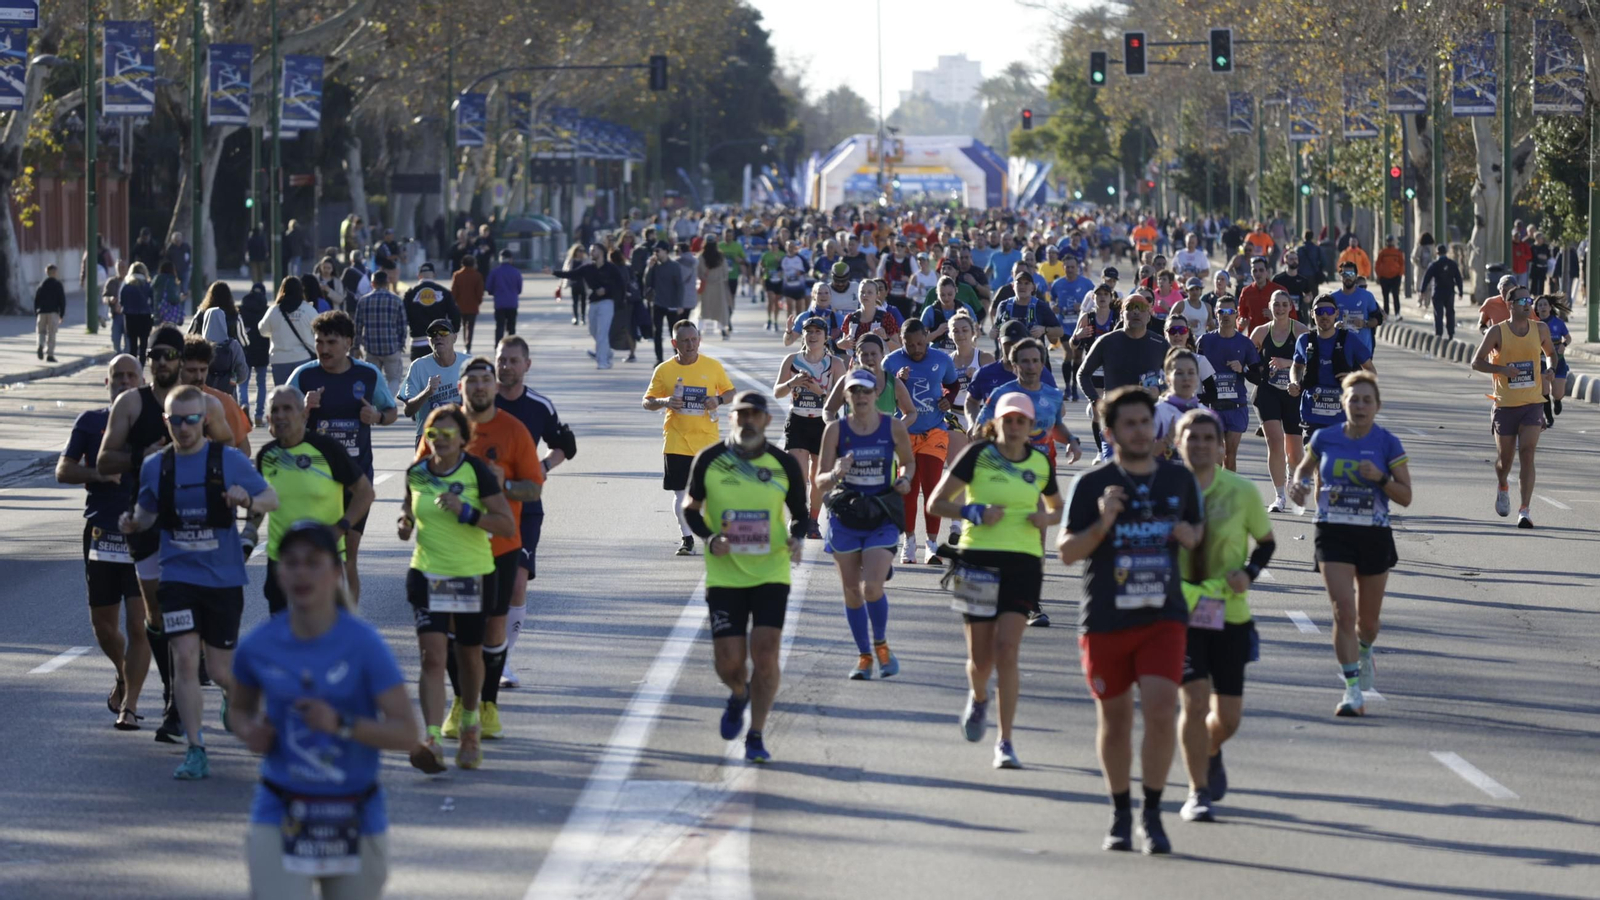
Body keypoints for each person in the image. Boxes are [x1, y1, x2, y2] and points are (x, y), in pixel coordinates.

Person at [231, 521, 420, 896]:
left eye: (313, 562)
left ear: (336, 572)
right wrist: (251, 731)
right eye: (292, 562)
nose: (302, 572)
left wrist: (341, 724)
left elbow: (407, 733)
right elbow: (238, 711)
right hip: (281, 809)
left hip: (354, 813)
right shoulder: (258, 645)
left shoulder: (364, 644)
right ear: (279, 573)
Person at [1058, 387, 1203, 854]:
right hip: (1104, 618)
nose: (1141, 431)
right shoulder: (1091, 483)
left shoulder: (1179, 481)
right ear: (1110, 431)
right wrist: (1102, 523)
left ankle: (1153, 812)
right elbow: (1066, 553)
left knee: (1162, 711)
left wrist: (1190, 534)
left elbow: (1198, 535)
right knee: (1116, 720)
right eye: (1130, 424)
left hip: (1164, 616)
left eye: (1146, 422)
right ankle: (1121, 811)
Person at [119, 385, 278, 779]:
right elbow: (147, 511)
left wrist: (247, 500)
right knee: (185, 661)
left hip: (222, 579)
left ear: (204, 420)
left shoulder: (226, 460)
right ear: (166, 422)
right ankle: (196, 748)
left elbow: (271, 498)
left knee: (221, 671)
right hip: (178, 577)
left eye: (192, 419)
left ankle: (237, 699)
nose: (185, 427)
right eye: (177, 420)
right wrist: (134, 522)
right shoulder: (157, 466)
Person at [97, 327, 236, 742]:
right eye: (154, 355)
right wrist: (145, 455)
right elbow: (105, 460)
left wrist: (197, 459)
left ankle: (179, 703)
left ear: (180, 359)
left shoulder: (205, 404)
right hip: (145, 520)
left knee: (189, 610)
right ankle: (172, 692)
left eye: (169, 355)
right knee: (156, 614)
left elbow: (231, 452)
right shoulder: (129, 404)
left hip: (194, 520)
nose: (161, 362)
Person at [929, 392, 1063, 768]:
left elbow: (1057, 508)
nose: (1015, 426)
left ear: (1032, 426)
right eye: (1009, 419)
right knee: (980, 658)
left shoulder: (1039, 463)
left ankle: (1005, 741)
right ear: (997, 421)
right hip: (976, 562)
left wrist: (1046, 520)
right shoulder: (977, 456)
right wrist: (973, 509)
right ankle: (979, 697)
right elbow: (936, 503)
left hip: (1023, 564)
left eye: (1022, 420)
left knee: (1007, 651)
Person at [681, 392, 808, 763]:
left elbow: (801, 514)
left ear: (767, 421)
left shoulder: (783, 463)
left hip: (771, 571)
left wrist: (797, 538)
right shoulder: (710, 459)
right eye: (741, 414)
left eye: (755, 414)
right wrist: (709, 537)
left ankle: (756, 733)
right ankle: (739, 694)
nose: (747, 420)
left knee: (766, 656)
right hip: (725, 576)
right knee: (728, 663)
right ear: (731, 418)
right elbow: (691, 508)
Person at [397, 404, 516, 771]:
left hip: (470, 576)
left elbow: (506, 525)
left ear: (464, 439)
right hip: (427, 573)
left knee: (468, 656)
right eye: (433, 434)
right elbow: (409, 512)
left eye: (448, 434)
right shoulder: (417, 473)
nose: (440, 441)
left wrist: (468, 513)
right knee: (431, 657)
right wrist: (404, 523)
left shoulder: (476, 471)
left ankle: (469, 723)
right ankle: (431, 738)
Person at [1172, 409, 1275, 822]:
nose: (1199, 445)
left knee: (1227, 719)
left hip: (1228, 614)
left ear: (1220, 447)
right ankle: (1197, 791)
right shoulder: (1164, 491)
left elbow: (1266, 543)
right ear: (1177, 443)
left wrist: (1247, 573)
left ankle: (1210, 749)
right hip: (1178, 613)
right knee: (1194, 702)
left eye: (1207, 439)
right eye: (1190, 437)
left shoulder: (1242, 491)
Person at [1288, 372, 1412, 717]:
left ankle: (1365, 649)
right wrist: (1297, 486)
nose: (1359, 406)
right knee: (1344, 611)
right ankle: (1352, 689)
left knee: (1368, 623)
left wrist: (1381, 478)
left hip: (1373, 533)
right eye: (1353, 399)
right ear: (1343, 403)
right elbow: (1302, 470)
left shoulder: (1388, 443)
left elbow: (1406, 497)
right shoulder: (1325, 438)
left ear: (1377, 406)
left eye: (1366, 400)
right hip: (1332, 530)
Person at [439, 358, 543, 743]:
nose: (480, 386)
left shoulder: (513, 430)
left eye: (486, 380)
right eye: (473, 381)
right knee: (453, 626)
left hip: (500, 546)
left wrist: (505, 486)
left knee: (493, 625)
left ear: (495, 387)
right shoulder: (442, 424)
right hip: (451, 547)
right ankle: (459, 702)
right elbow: (420, 473)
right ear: (461, 387)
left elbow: (533, 488)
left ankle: (488, 704)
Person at [58, 354, 151, 731]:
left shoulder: (155, 422)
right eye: (118, 376)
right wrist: (98, 472)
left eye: (132, 375)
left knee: (138, 624)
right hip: (101, 533)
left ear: (142, 381)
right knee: (103, 626)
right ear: (107, 383)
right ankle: (123, 674)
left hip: (143, 533)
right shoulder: (91, 421)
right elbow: (63, 470)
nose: (125, 381)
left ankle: (129, 706)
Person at [288, 311, 398, 603]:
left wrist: (375, 416)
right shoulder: (304, 376)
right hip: (313, 480)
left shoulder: (367, 375)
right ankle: (315, 613)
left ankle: (349, 623)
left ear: (348, 343)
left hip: (355, 479)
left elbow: (392, 413)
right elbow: (279, 422)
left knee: (349, 556)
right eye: (319, 342)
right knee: (317, 554)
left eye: (331, 342)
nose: (323, 349)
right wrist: (304, 410)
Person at [814, 369, 915, 680]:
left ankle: (881, 646)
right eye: (854, 391)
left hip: (882, 511)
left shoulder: (892, 427)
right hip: (847, 514)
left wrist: (905, 479)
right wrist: (835, 474)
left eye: (866, 392)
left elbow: (909, 462)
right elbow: (818, 481)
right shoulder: (835, 431)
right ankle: (863, 656)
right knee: (851, 592)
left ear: (875, 395)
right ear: (846, 395)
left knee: (871, 587)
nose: (860, 397)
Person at [491, 336, 575, 689]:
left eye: (513, 360)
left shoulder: (539, 406)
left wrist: (542, 467)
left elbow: (565, 446)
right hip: (482, 508)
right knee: (483, 586)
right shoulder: (478, 401)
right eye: (501, 360)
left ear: (527, 365)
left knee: (517, 583)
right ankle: (480, 651)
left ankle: (504, 661)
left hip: (525, 508)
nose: (506, 366)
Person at [246, 385, 374, 614]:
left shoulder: (326, 448)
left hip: (323, 558)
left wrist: (341, 528)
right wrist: (248, 534)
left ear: (303, 413)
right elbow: (261, 502)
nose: (281, 415)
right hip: (281, 561)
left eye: (288, 409)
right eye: (275, 410)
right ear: (267, 418)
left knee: (326, 639)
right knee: (285, 640)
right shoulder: (266, 455)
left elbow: (365, 493)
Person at [642, 321, 735, 555]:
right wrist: (665, 401)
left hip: (708, 440)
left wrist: (719, 400)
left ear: (699, 340)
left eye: (694, 339)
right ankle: (687, 539)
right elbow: (647, 401)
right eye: (685, 340)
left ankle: (710, 533)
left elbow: (730, 392)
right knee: (681, 494)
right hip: (676, 439)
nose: (690, 344)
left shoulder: (712, 366)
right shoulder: (664, 370)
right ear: (675, 343)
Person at [1470, 287, 1554, 528]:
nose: (1528, 304)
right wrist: (1503, 370)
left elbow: (1550, 353)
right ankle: (1503, 485)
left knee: (1527, 453)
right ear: (1510, 305)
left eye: (1530, 299)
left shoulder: (1540, 329)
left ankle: (1524, 509)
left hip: (1532, 403)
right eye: (1522, 300)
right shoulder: (1497, 331)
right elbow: (1477, 362)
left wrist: (1549, 369)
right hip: (1505, 404)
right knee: (1504, 461)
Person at [884, 320, 960, 565]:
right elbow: (884, 397)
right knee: (908, 489)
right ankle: (909, 541)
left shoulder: (942, 359)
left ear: (927, 337)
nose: (916, 349)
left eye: (920, 343)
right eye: (910, 344)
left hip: (934, 431)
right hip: (903, 432)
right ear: (901, 341)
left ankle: (932, 544)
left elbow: (952, 384)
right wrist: (897, 381)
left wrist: (949, 399)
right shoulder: (892, 362)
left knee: (931, 487)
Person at [773, 317, 845, 539]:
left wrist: (819, 391)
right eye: (808, 332)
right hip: (798, 421)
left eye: (817, 332)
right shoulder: (792, 360)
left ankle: (813, 522)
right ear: (803, 335)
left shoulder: (835, 364)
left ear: (826, 337)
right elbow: (777, 392)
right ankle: (798, 517)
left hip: (823, 423)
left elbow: (843, 397)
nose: (813, 336)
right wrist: (791, 384)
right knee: (798, 475)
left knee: (817, 478)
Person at [1077, 293, 1170, 459]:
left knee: (1145, 476)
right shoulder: (1106, 342)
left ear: (1149, 315)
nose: (1135, 312)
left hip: (1148, 420)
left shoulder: (1160, 344)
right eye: (1130, 307)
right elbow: (1083, 374)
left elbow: (1174, 377)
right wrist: (1096, 400)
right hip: (1115, 420)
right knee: (1114, 477)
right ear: (1122, 314)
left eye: (1141, 308)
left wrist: (1160, 389)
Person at [1250, 292, 1310, 510]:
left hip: (1294, 394)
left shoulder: (1302, 331)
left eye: (1285, 305)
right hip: (1267, 393)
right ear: (1270, 306)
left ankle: (1291, 472)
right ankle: (1279, 497)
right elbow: (1250, 360)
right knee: (1275, 442)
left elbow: (1313, 364)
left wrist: (1288, 363)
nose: (1280, 309)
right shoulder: (1260, 332)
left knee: (1294, 452)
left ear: (1291, 306)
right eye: (1276, 304)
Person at [1290, 294, 1376, 444]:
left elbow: (1370, 371)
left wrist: (1354, 380)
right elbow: (1296, 366)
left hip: (1342, 416)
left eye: (1329, 311)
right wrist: (1294, 382)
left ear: (1336, 313)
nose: (1324, 316)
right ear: (1312, 314)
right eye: (1319, 311)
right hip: (1312, 414)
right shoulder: (1304, 340)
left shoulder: (1349, 339)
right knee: (1316, 462)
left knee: (1334, 463)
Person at [1195, 299, 1261, 471]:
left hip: (1235, 406)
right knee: (1215, 454)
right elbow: (1195, 369)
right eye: (1221, 312)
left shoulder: (1245, 343)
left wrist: (1243, 369)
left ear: (1237, 315)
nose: (1225, 316)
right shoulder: (1204, 341)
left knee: (1229, 454)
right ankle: (1214, 493)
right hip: (1212, 405)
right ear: (1215, 315)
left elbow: (1258, 377)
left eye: (1230, 312)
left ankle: (1229, 494)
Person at [398, 319, 464, 442]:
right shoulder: (418, 366)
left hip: (461, 435)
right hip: (429, 437)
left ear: (454, 338)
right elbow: (408, 411)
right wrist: (427, 392)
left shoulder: (467, 364)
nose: (438, 336)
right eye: (432, 334)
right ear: (429, 341)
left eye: (443, 332)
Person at [353, 270, 409, 391]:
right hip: (391, 348)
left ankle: (375, 405)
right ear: (387, 283)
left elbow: (357, 328)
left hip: (371, 348)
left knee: (373, 379)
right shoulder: (396, 300)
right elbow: (402, 326)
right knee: (394, 379)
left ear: (372, 283)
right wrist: (401, 345)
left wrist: (356, 347)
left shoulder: (363, 301)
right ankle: (388, 402)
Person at [261, 278, 319, 385]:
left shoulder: (274, 310)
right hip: (303, 358)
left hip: (279, 359)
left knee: (283, 396)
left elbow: (263, 330)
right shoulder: (308, 310)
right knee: (303, 393)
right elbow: (318, 331)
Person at [402, 263, 460, 361]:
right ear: (434, 274)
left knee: (419, 374)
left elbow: (402, 318)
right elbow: (455, 316)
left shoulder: (410, 294)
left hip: (417, 342)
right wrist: (451, 333)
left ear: (419, 275)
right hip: (440, 341)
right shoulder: (444, 292)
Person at [1330, 264, 1383, 355]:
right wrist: (1335, 326)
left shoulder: (1367, 296)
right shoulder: (1333, 297)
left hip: (1363, 349)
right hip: (1340, 349)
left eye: (1351, 274)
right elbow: (1324, 322)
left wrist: (1365, 323)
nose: (1348, 277)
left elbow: (1378, 319)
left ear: (1356, 275)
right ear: (1340, 276)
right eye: (1345, 274)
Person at [1536, 294, 1571, 426]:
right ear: (1537, 309)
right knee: (1544, 391)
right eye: (1540, 305)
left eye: (1545, 304)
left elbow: (1568, 338)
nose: (1543, 307)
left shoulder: (1558, 323)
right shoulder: (1534, 324)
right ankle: (1549, 418)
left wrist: (1563, 345)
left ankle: (1557, 401)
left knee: (1557, 393)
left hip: (1558, 361)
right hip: (1541, 361)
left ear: (1550, 307)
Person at [698, 238, 735, 339]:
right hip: (719, 286)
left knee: (703, 309)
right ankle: (723, 330)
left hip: (705, 286)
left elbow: (698, 271)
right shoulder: (720, 256)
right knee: (720, 309)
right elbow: (725, 272)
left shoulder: (701, 256)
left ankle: (699, 330)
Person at [485, 250, 524, 344]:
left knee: (499, 327)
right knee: (511, 328)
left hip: (499, 304)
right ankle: (512, 347)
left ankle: (498, 346)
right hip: (512, 303)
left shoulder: (495, 272)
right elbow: (519, 289)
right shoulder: (516, 272)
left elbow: (488, 287)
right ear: (510, 259)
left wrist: (494, 292)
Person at [451, 256, 485, 352]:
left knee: (463, 324)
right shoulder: (477, 275)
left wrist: (454, 303)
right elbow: (480, 292)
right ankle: (468, 345)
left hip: (460, 305)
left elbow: (454, 292)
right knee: (470, 326)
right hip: (473, 305)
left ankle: (465, 342)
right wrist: (478, 301)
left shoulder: (457, 275)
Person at [34, 263, 65, 362]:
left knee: (41, 332)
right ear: (55, 272)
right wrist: (62, 314)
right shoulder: (58, 284)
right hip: (53, 312)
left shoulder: (41, 285)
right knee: (52, 333)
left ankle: (40, 345)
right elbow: (62, 300)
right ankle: (50, 354)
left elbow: (36, 300)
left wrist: (37, 312)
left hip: (41, 312)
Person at [1374, 237, 1406, 318]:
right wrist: (1379, 275)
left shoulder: (1397, 252)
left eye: (1391, 241)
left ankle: (1397, 313)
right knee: (1385, 296)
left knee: (1395, 295)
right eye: (1388, 241)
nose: (1390, 243)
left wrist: (1400, 274)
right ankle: (1386, 313)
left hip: (1395, 277)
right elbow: (1377, 264)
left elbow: (1402, 263)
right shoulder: (1383, 252)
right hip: (1384, 277)